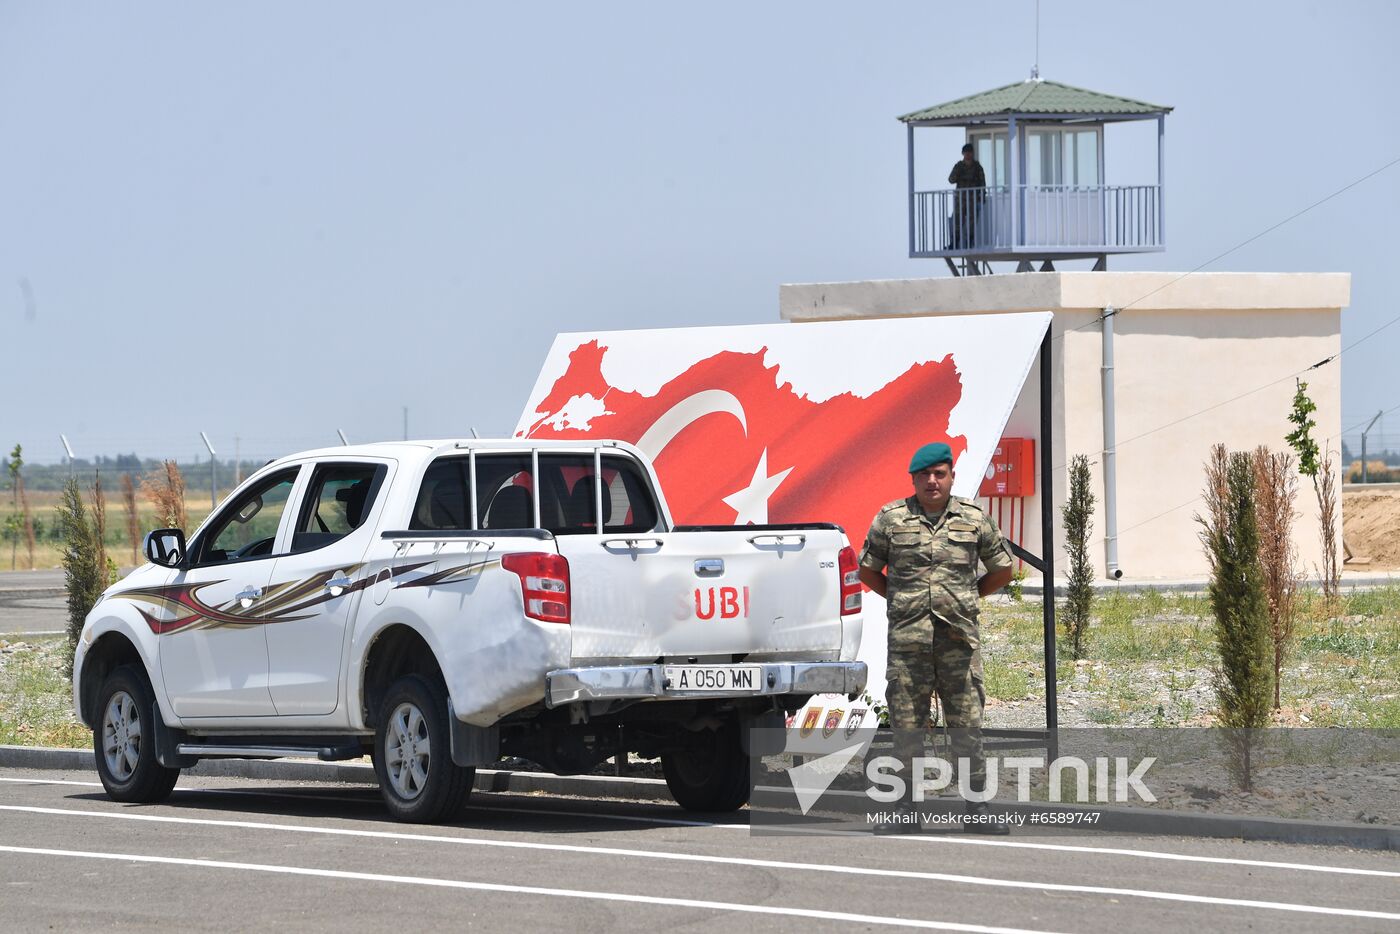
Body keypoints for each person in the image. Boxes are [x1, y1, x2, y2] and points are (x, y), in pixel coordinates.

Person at [858, 442, 1014, 834]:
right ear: (913, 479)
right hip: (908, 645)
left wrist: (966, 598)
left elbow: (1002, 570)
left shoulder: (974, 518)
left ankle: (977, 809)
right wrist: (902, 599)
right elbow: (868, 570)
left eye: (939, 474)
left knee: (968, 728)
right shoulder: (891, 520)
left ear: (951, 477)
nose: (932, 481)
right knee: (907, 730)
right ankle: (906, 811)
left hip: (958, 643)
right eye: (924, 475)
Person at [947, 143, 986, 249]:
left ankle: (970, 242)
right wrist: (958, 173)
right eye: (966, 153)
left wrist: (982, 196)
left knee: (972, 221)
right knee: (957, 220)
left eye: (969, 153)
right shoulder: (959, 166)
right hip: (960, 199)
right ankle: (955, 242)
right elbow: (951, 180)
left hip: (972, 199)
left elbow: (982, 183)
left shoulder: (977, 167)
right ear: (963, 154)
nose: (968, 155)